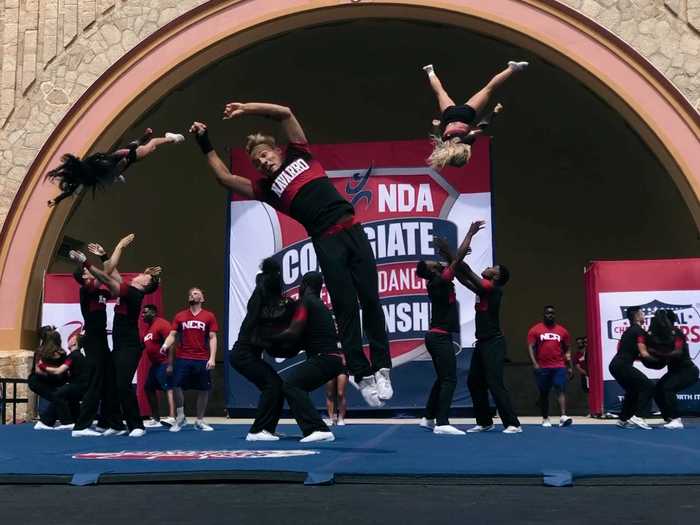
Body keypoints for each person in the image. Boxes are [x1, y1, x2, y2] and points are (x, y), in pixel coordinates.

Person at [190, 104, 392, 408]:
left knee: (371, 300)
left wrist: (247, 109)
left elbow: (284, 113)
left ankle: (382, 368)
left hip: (352, 229)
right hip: (326, 241)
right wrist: (204, 142)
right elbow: (224, 178)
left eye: (265, 155)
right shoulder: (266, 188)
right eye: (257, 162)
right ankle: (362, 375)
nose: (262, 162)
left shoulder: (300, 154)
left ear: (277, 150)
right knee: (346, 308)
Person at [435, 234, 521, 434]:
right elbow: (463, 277)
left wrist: (453, 251)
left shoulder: (493, 289)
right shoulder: (483, 289)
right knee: (474, 382)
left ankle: (513, 424)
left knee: (494, 382)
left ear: (496, 276)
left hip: (494, 343)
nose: (489, 267)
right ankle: (484, 421)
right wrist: (452, 260)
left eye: (493, 267)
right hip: (482, 343)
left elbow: (466, 271)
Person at [70, 249, 160, 437]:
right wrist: (104, 256)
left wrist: (117, 247)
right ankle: (110, 422)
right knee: (109, 384)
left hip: (129, 346)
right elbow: (111, 274)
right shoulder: (127, 290)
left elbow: (107, 276)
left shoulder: (134, 294)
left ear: (146, 284)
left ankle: (136, 425)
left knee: (121, 385)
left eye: (144, 275)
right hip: (115, 345)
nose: (140, 274)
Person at [416, 221, 484, 435]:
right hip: (439, 337)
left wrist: (451, 253)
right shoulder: (438, 281)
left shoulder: (439, 279)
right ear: (430, 270)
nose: (435, 262)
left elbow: (455, 261)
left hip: (436, 335)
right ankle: (442, 422)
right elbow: (458, 260)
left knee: (442, 377)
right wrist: (470, 233)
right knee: (449, 379)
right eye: (431, 262)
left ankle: (428, 418)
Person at [264, 272, 346, 443]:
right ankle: (315, 426)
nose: (300, 288)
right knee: (297, 386)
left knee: (291, 386)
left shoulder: (305, 302)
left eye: (301, 285)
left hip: (324, 358)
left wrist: (268, 338)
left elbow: (293, 331)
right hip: (332, 359)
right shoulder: (320, 306)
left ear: (306, 285)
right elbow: (302, 342)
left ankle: (317, 428)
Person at [230, 258, 294, 441]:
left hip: (247, 353)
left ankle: (267, 429)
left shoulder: (262, 294)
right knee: (272, 385)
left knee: (275, 386)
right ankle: (257, 431)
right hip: (243, 353)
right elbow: (273, 310)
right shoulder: (261, 295)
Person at [422, 61, 527, 170]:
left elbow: (481, 126)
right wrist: (436, 126)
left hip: (465, 115)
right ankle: (430, 71)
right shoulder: (445, 145)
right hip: (449, 116)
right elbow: (436, 136)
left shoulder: (466, 141)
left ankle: (512, 69)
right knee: (440, 92)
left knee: (488, 89)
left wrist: (494, 112)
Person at [45, 129, 184, 207]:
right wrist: (56, 200)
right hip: (122, 161)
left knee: (150, 145)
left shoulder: (86, 175)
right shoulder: (90, 167)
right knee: (149, 145)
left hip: (123, 161)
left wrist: (56, 200)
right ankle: (168, 138)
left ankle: (168, 138)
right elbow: (127, 150)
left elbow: (70, 191)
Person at [161, 288, 218, 433]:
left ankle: (199, 420)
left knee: (204, 389)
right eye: (190, 294)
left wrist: (212, 358)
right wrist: (165, 344)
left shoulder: (209, 316)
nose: (192, 295)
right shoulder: (180, 316)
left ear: (202, 298)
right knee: (176, 385)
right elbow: (172, 334)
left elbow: (212, 337)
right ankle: (180, 417)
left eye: (196, 293)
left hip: (201, 358)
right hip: (183, 357)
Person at [648, 310, 699, 430]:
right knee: (657, 390)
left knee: (667, 388)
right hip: (674, 372)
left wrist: (657, 353)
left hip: (688, 371)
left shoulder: (677, 333)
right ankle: (669, 419)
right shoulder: (661, 336)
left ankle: (677, 419)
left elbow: (678, 352)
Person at [609, 306, 656, 430]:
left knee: (633, 391)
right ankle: (638, 416)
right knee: (648, 386)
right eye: (642, 314)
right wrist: (662, 360)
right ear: (636, 316)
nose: (644, 316)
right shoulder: (638, 331)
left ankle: (623, 419)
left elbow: (635, 353)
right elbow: (644, 353)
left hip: (615, 366)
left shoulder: (630, 331)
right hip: (622, 365)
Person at [527, 306, 573, 428]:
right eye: (547, 313)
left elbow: (567, 348)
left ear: (555, 315)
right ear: (544, 315)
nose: (550, 315)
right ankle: (545, 418)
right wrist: (534, 363)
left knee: (560, 388)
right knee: (544, 393)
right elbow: (531, 347)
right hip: (542, 366)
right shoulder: (535, 330)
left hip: (559, 365)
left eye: (552, 313)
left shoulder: (562, 331)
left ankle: (563, 416)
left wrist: (569, 366)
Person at [28, 327, 74, 430]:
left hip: (53, 381)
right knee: (56, 396)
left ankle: (46, 422)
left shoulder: (62, 353)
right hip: (39, 381)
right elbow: (38, 371)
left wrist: (55, 372)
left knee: (57, 397)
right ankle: (66, 422)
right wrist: (54, 372)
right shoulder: (40, 352)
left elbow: (63, 369)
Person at [141, 304, 175, 427]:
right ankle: (156, 419)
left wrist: (170, 364)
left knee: (168, 388)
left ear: (153, 313)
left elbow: (171, 344)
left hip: (164, 362)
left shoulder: (162, 324)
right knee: (148, 388)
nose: (142, 315)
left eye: (145, 312)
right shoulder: (148, 328)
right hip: (155, 365)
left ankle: (172, 417)